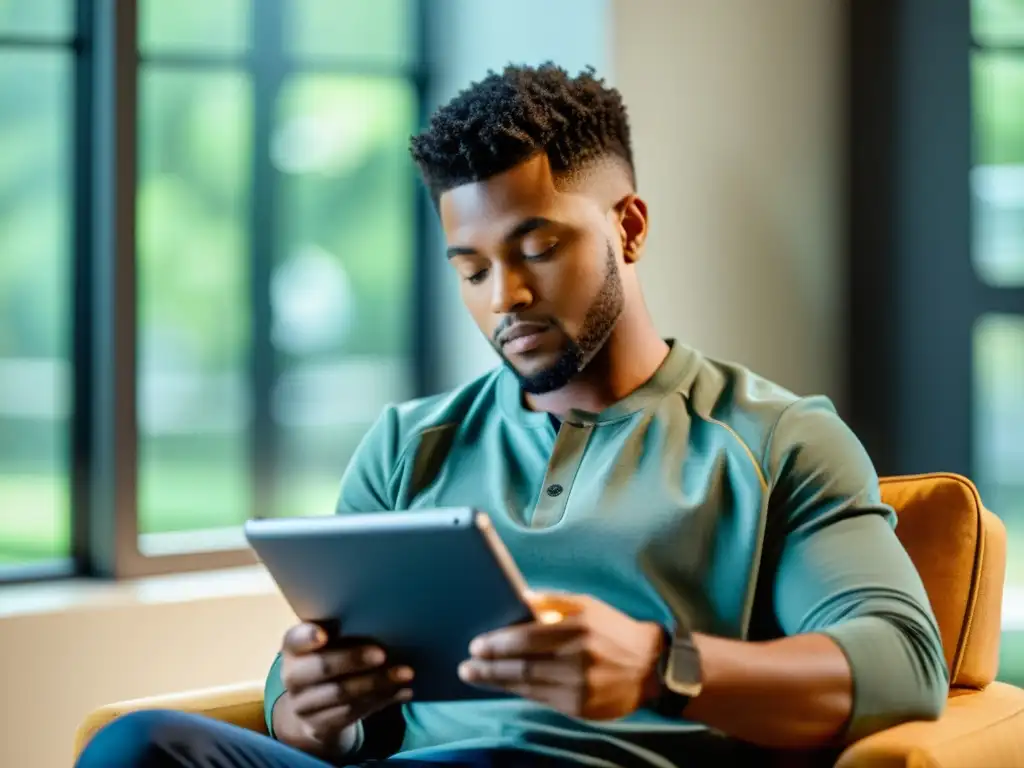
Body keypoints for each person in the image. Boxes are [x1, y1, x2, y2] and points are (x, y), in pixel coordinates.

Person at [76, 63, 947, 768]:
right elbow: (311, 710)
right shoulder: (405, 448)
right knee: (138, 747)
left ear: (630, 227)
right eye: (472, 269)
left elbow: (901, 662)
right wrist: (313, 710)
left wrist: (659, 667)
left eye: (537, 248)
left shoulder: (777, 440)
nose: (507, 298)